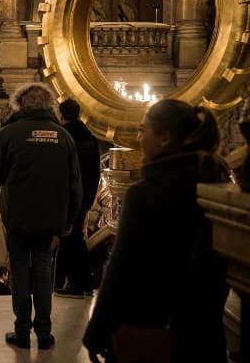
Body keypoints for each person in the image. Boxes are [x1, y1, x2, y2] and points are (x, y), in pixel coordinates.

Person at [84, 99, 231, 363]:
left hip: (149, 330)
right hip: (205, 334)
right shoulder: (220, 187)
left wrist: (97, 332)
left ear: (164, 138)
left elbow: (120, 268)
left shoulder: (146, 193)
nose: (138, 139)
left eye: (143, 130)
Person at [0, 82, 82, 350]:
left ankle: (22, 332)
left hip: (16, 215)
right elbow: (75, 184)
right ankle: (45, 334)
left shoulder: (9, 134)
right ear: (49, 105)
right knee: (43, 270)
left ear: (19, 104)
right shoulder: (63, 136)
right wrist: (70, 220)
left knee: (18, 271)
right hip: (51, 218)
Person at [54, 98, 101, 298]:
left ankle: (75, 285)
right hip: (84, 196)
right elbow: (96, 172)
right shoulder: (90, 137)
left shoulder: (63, 137)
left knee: (69, 239)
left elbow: (62, 172)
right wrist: (89, 200)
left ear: (61, 115)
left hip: (68, 197)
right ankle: (85, 283)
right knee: (77, 240)